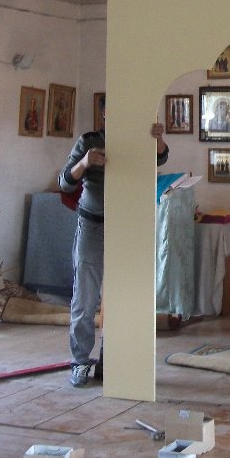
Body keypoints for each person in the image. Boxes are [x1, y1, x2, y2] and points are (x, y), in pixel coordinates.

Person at [59, 94, 169, 387]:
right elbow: (64, 182)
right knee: (85, 299)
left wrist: (158, 138)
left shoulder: (139, 139)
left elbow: (160, 157)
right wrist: (85, 162)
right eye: (113, 111)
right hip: (92, 225)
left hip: (126, 227)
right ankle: (80, 361)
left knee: (121, 297)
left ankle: (110, 361)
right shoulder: (89, 141)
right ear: (105, 114)